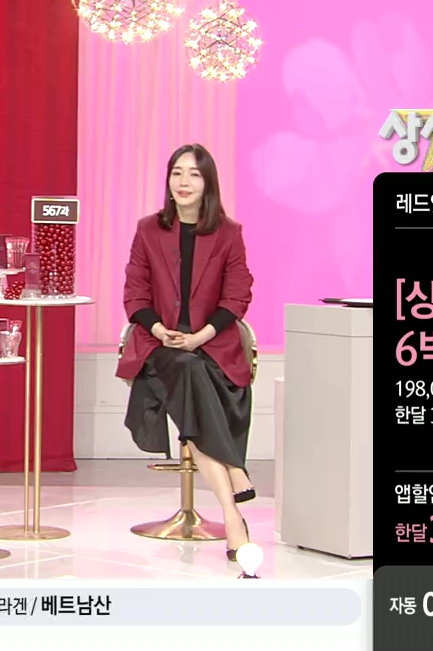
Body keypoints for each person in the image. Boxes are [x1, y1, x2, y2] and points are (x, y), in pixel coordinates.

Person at [117, 143, 257, 575]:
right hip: (160, 348)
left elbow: (238, 295)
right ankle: (234, 502)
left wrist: (200, 337)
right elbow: (135, 294)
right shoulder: (148, 229)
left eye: (194, 174)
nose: (183, 182)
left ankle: (231, 506)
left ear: (208, 182)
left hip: (211, 345)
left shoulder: (229, 232)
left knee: (194, 376)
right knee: (185, 370)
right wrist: (162, 331)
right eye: (177, 172)